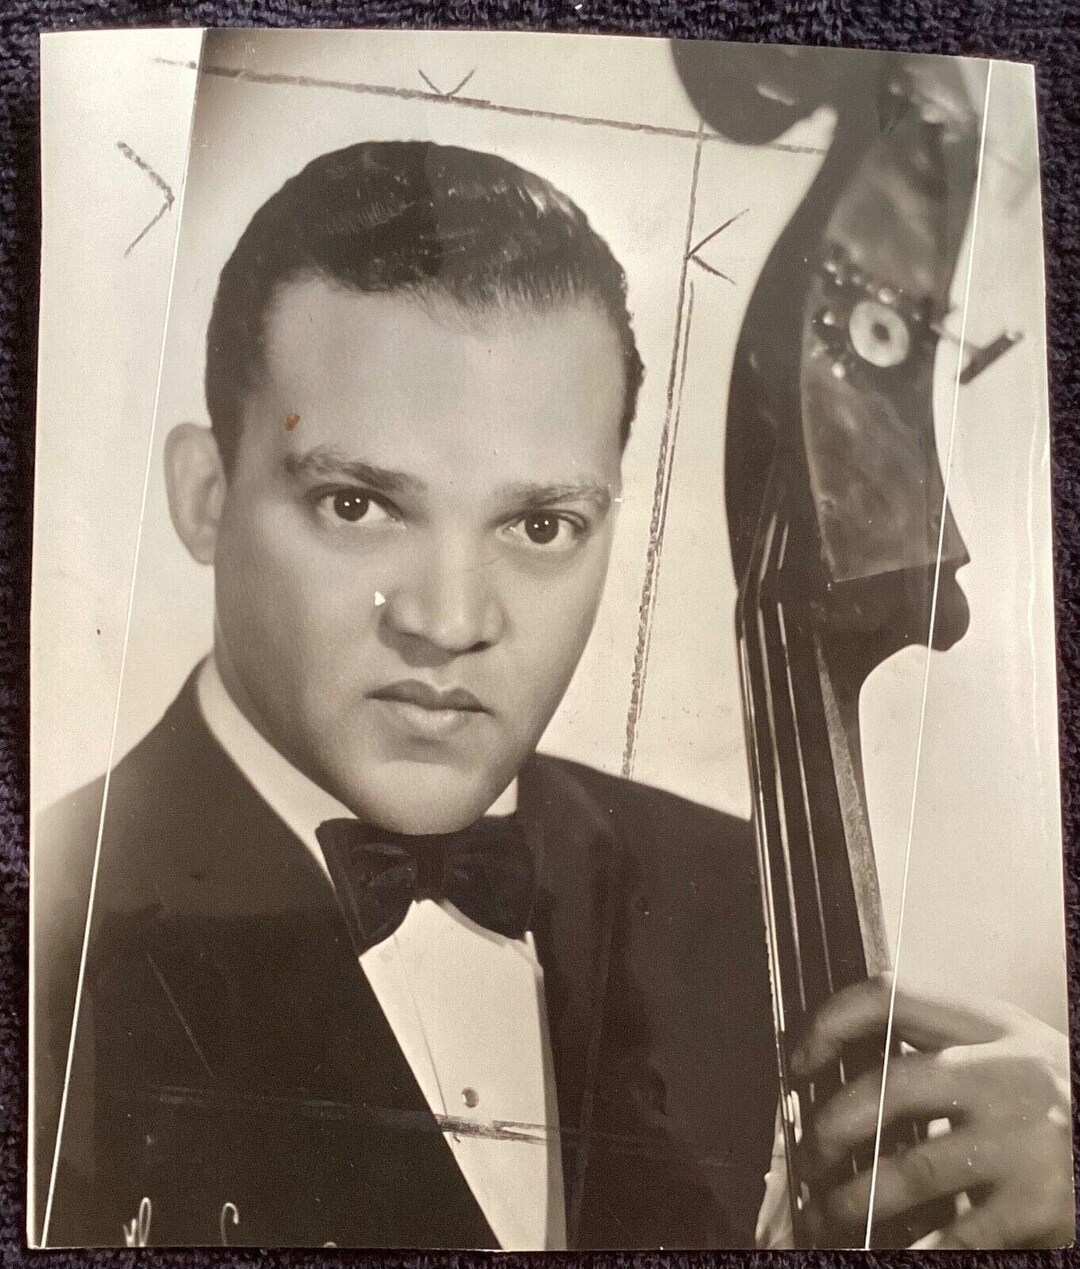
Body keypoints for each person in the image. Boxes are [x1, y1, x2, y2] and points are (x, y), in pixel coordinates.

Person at [33, 141, 1072, 1251]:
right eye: (355, 504)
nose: (448, 618)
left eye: (539, 526)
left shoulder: (747, 903)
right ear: (205, 495)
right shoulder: (49, 942)